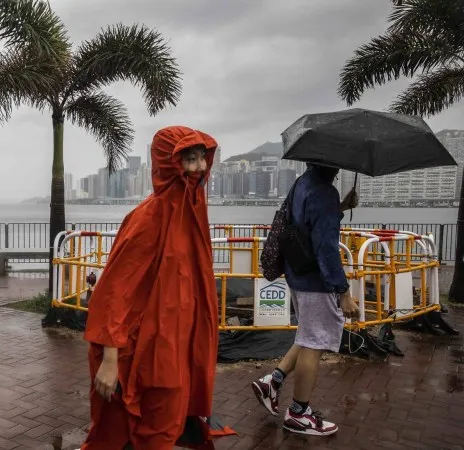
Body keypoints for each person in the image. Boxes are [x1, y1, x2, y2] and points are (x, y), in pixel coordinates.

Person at [78, 126, 234, 450]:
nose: (199, 169)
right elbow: (114, 290)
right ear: (169, 164)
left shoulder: (192, 212)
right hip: (146, 353)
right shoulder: (150, 217)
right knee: (144, 434)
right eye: (189, 160)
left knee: (165, 427)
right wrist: (110, 359)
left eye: (202, 159)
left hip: (176, 347)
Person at [251, 163, 359, 436]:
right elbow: (326, 249)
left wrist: (340, 207)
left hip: (297, 274)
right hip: (316, 280)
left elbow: (304, 221)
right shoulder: (325, 193)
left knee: (309, 334)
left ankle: (272, 383)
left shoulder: (302, 183)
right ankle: (299, 414)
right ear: (334, 165)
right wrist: (343, 291)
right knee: (315, 342)